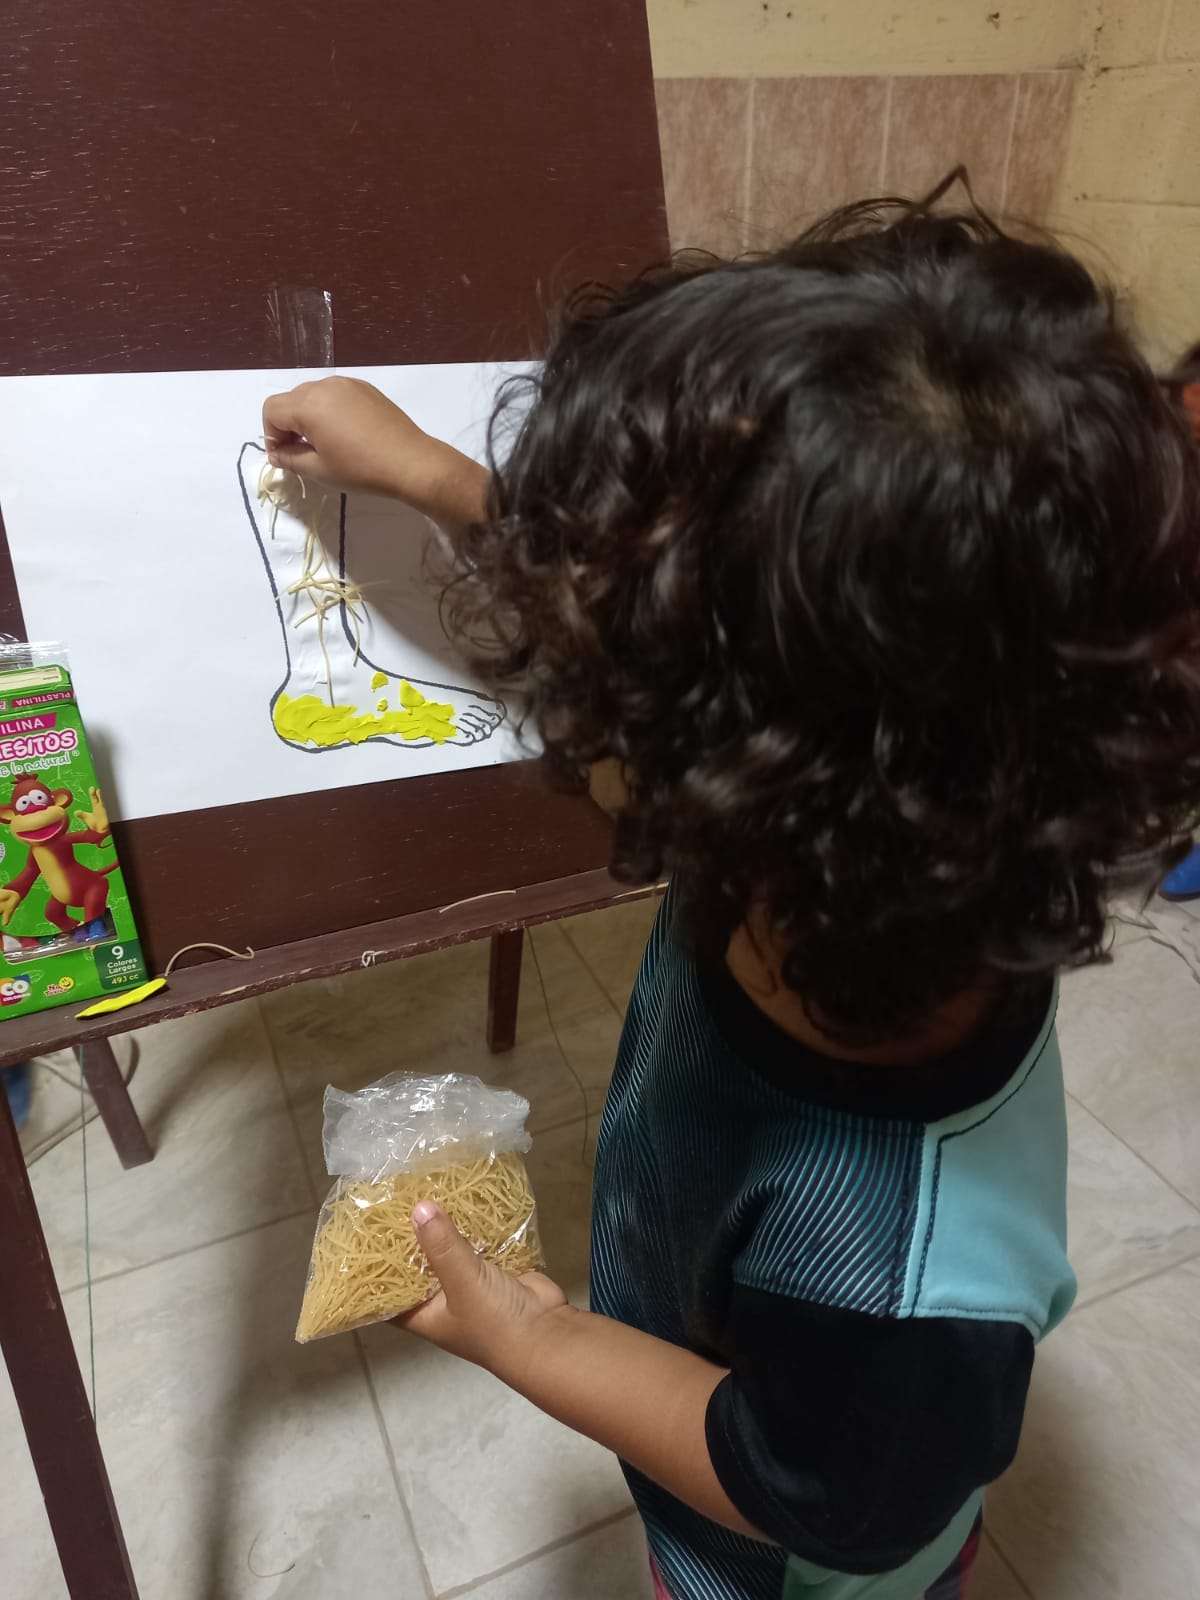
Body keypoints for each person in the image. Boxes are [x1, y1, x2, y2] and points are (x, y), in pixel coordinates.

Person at [262, 182, 1200, 1600]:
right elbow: (713, 600)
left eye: (598, 669)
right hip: (714, 1276)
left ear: (726, 768)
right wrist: (431, 473)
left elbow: (815, 1499)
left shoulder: (909, 1300)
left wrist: (535, 1339)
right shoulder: (915, 828)